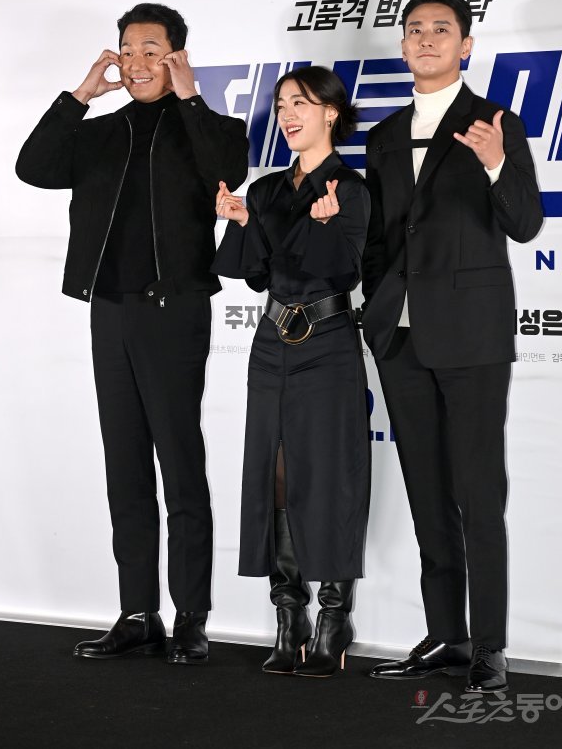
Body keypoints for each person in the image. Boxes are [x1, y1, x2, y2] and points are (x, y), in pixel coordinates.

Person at [16, 3, 249, 663]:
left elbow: (224, 171)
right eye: (127, 50)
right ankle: (138, 613)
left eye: (152, 49)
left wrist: (190, 98)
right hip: (110, 311)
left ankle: (192, 617)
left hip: (174, 310)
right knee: (124, 467)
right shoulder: (98, 133)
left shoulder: (212, 128)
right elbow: (32, 166)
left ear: (177, 56)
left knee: (180, 463)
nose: (138, 61)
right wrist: (81, 94)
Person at [362, 0, 543, 693]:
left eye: (441, 29)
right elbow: (380, 237)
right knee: (427, 491)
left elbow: (525, 223)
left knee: (477, 493)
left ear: (465, 45)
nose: (426, 39)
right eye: (415, 30)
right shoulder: (383, 135)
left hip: (471, 335)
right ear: (403, 45)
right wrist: (377, 307)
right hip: (401, 336)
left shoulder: (494, 122)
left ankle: (489, 645)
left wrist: (497, 164)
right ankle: (446, 633)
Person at [212, 66, 370, 677]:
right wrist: (241, 221)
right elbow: (254, 273)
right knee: (274, 475)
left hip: (329, 341)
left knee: (330, 474)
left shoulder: (350, 189)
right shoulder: (267, 190)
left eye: (300, 103)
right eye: (281, 105)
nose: (287, 114)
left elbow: (345, 271)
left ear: (331, 111)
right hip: (271, 341)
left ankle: (333, 619)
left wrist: (326, 227)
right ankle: (288, 616)